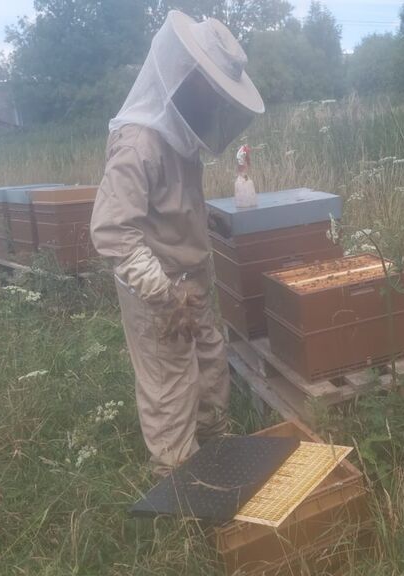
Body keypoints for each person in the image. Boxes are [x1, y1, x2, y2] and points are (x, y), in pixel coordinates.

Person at [90, 11, 264, 478]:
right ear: (182, 77)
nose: (211, 99)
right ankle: (178, 483)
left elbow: (175, 209)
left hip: (193, 279)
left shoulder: (180, 137)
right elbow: (112, 232)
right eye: (207, 86)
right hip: (158, 290)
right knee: (170, 384)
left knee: (209, 367)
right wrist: (163, 292)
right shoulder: (138, 145)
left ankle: (217, 457)